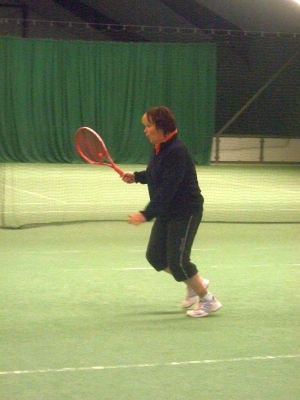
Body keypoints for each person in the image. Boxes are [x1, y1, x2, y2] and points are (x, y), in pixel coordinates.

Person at [122, 106, 221, 317]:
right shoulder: (160, 147)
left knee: (178, 261)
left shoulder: (176, 151)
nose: (145, 130)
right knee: (155, 256)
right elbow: (156, 173)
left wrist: (145, 214)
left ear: (161, 127)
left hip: (186, 211)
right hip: (168, 211)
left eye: (148, 126)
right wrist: (137, 176)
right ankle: (194, 283)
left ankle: (208, 300)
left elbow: (168, 188)